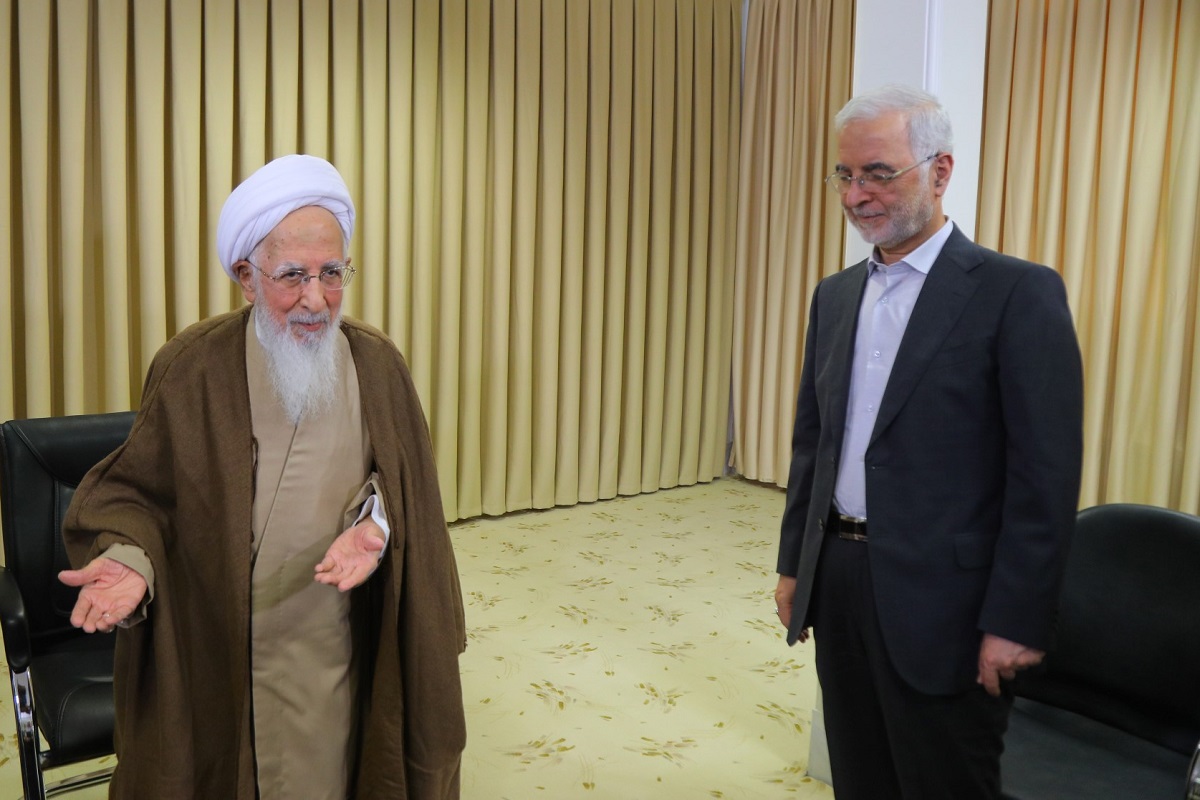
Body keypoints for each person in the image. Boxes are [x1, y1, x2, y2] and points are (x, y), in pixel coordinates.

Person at [59, 154, 467, 799]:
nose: (316, 299)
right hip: (216, 643)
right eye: (292, 275)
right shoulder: (192, 366)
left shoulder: (377, 365)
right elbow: (136, 494)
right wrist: (129, 559)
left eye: (332, 273)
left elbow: (408, 487)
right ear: (247, 277)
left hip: (334, 641)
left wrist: (376, 524)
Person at [773, 84, 1084, 798]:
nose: (856, 196)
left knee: (942, 781)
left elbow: (1044, 477)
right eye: (845, 175)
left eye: (878, 174)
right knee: (860, 773)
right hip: (841, 581)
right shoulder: (835, 295)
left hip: (951, 601)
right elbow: (813, 445)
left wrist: (1016, 619)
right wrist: (796, 567)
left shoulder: (1016, 293)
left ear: (940, 172)